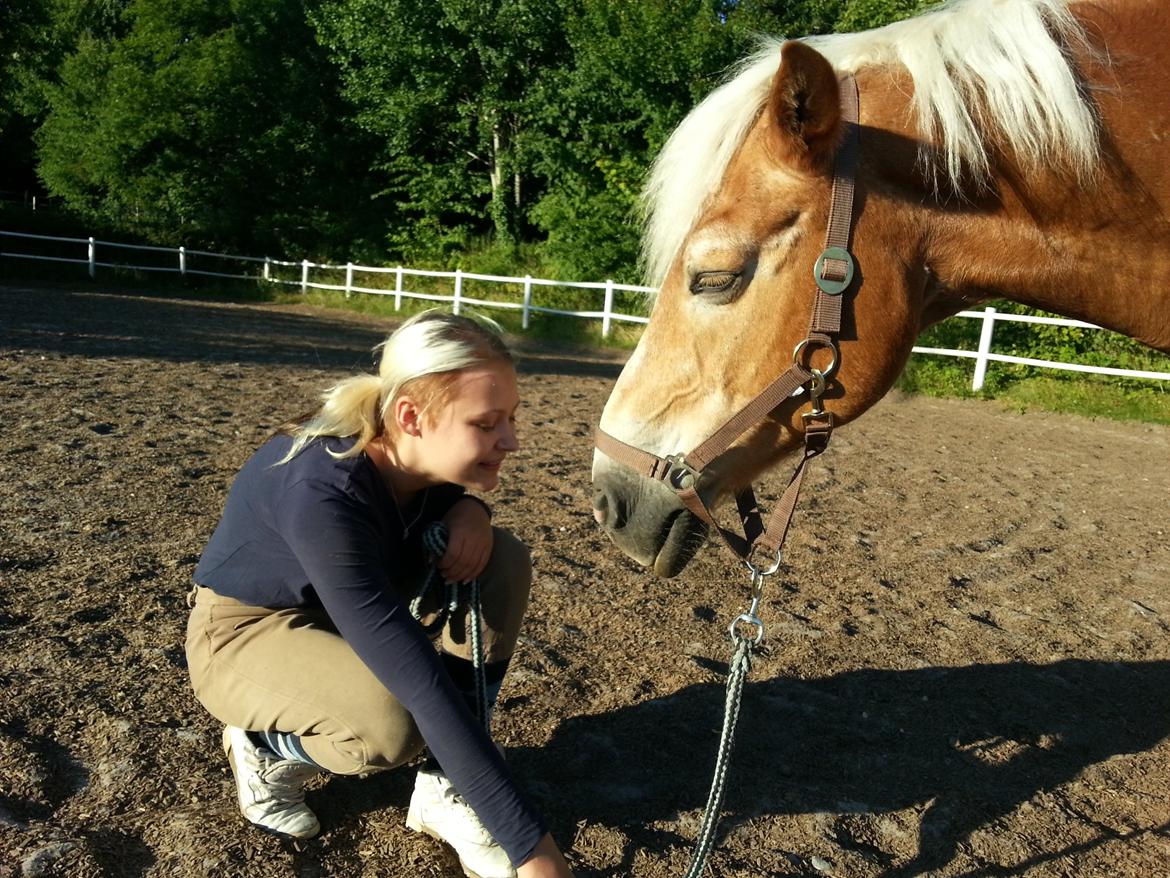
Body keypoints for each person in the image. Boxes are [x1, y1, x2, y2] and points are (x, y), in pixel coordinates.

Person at [184, 310, 573, 878]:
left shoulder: (407, 450)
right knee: (390, 726)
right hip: (247, 629)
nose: (511, 440)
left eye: (511, 418)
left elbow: (427, 503)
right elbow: (417, 679)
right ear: (411, 416)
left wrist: (472, 508)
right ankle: (262, 748)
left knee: (503, 560)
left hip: (342, 612)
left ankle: (444, 789)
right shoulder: (321, 491)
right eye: (488, 423)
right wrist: (534, 853)